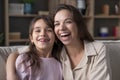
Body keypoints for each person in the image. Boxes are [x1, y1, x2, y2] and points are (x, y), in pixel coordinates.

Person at [6, 4, 111, 80]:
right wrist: (11, 75)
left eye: (68, 22)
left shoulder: (97, 49)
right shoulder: (56, 49)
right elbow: (16, 53)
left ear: (78, 25)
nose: (62, 28)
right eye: (57, 24)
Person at [6, 15, 62, 80]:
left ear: (55, 37)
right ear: (31, 38)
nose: (43, 34)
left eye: (49, 30)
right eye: (38, 31)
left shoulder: (60, 62)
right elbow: (14, 54)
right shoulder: (24, 60)